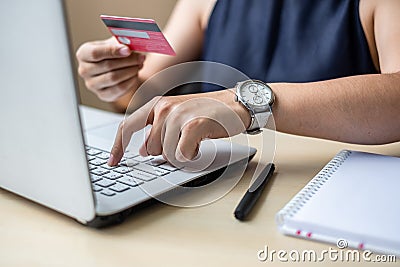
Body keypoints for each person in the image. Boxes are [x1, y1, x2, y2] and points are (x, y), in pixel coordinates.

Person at [76, 0, 400, 166]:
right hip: (215, 181)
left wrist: (243, 104)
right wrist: (116, 81)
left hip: (324, 191)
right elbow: (142, 92)